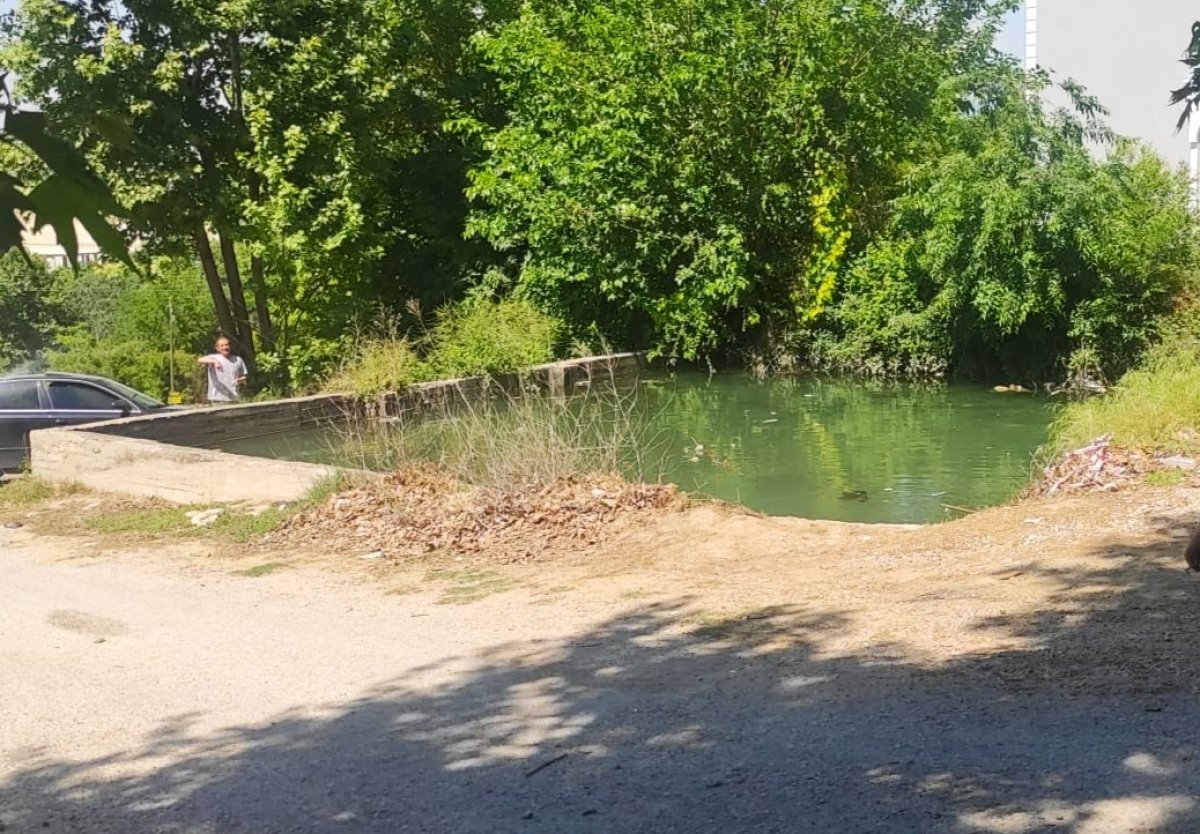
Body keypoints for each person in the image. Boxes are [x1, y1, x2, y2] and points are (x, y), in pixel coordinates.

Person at [197, 336, 248, 404]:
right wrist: (214, 362)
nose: (225, 347)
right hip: (217, 398)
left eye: (227, 345)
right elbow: (200, 360)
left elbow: (244, 377)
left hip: (234, 398)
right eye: (222, 346)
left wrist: (240, 380)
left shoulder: (238, 360)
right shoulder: (214, 357)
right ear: (217, 348)